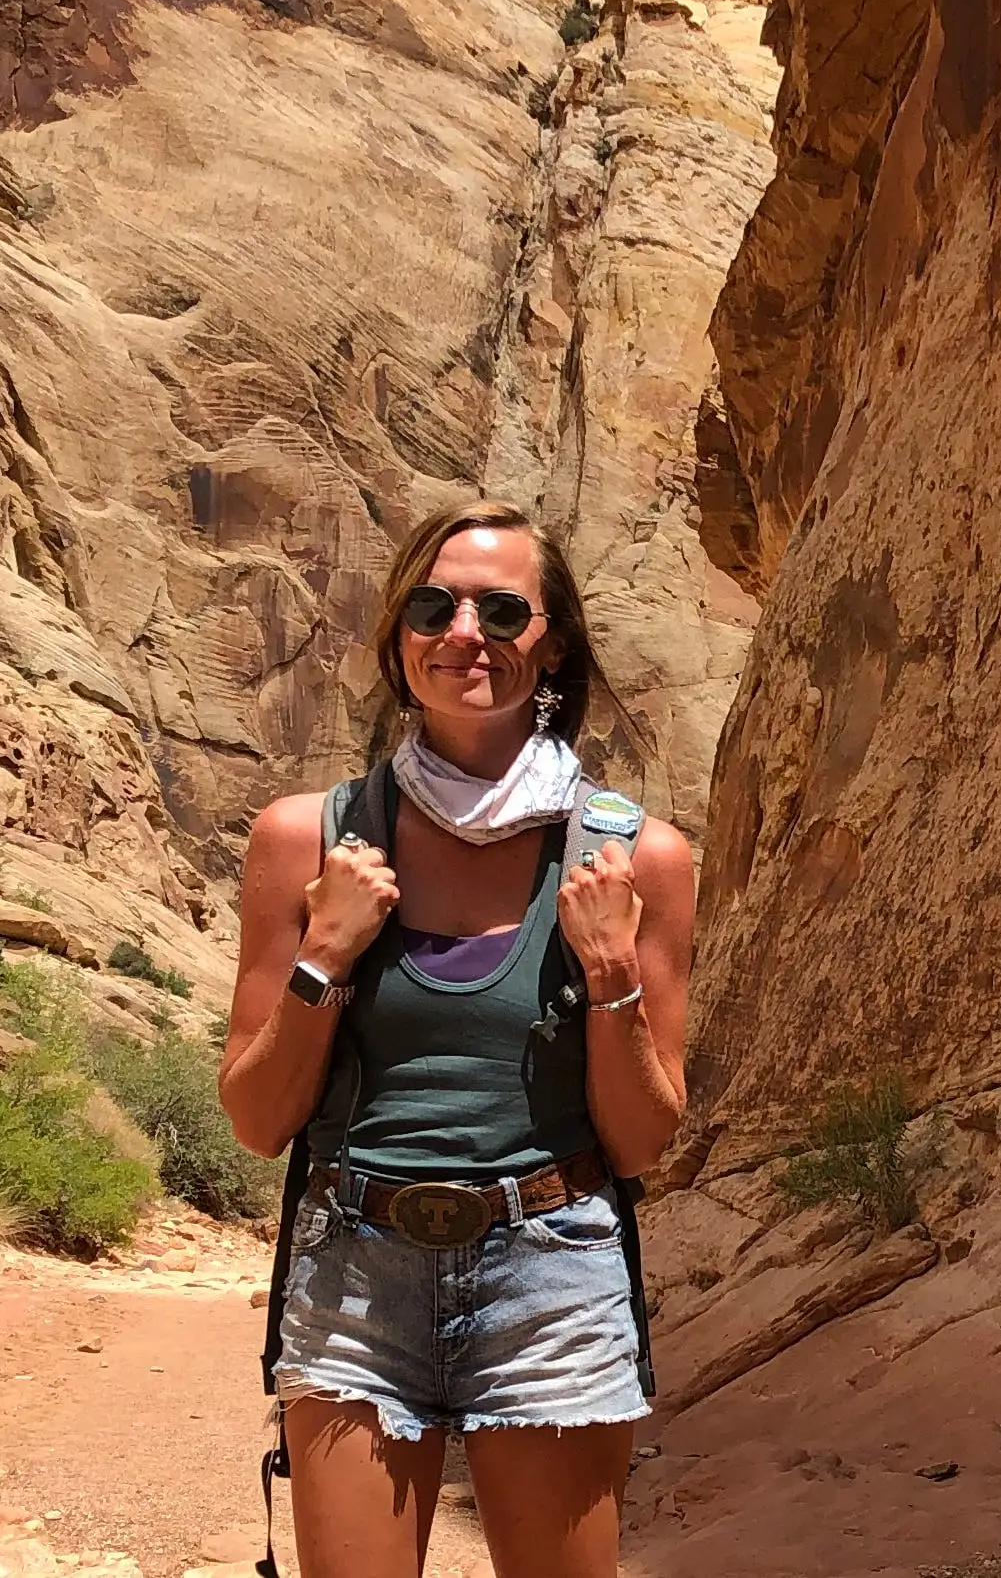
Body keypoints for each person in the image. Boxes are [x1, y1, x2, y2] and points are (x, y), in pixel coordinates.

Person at [220, 500, 695, 1578]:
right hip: (354, 1275)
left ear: (554, 642)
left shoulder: (637, 861)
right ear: (399, 638)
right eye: (432, 606)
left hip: (552, 1274)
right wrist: (324, 958)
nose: (463, 632)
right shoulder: (307, 840)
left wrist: (612, 972)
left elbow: (642, 1141)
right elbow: (255, 1118)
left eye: (502, 608)